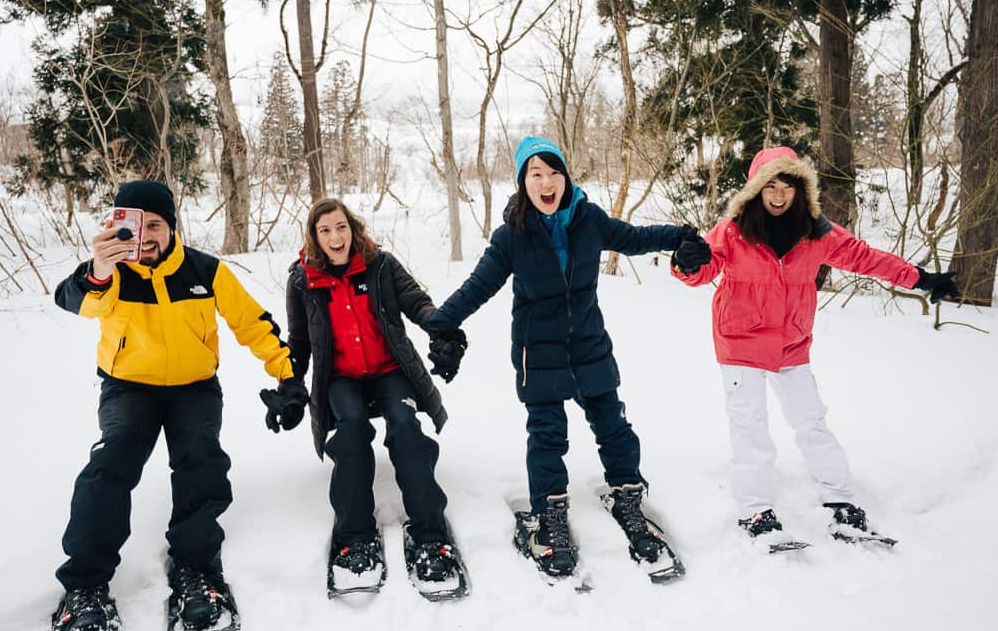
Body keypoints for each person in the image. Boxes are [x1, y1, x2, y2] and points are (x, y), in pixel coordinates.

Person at [50, 180, 307, 631]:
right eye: (135, 224)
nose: (144, 235)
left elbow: (252, 323)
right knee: (112, 462)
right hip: (129, 386)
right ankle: (84, 588)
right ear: (117, 225)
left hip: (194, 387)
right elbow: (73, 301)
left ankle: (196, 569)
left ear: (171, 226)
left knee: (201, 458)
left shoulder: (205, 270)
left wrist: (289, 377)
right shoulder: (112, 273)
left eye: (155, 224)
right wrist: (100, 269)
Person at [426, 136, 696, 578]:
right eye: (536, 174)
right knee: (548, 435)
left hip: (589, 344)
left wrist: (680, 237)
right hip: (540, 352)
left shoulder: (587, 219)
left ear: (566, 177)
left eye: (554, 172)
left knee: (614, 426)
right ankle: (549, 514)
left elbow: (633, 237)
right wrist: (442, 324)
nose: (547, 182)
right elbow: (478, 286)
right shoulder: (512, 234)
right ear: (522, 183)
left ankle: (627, 495)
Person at [669, 146, 958, 540]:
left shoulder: (816, 231)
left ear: (800, 189)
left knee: (811, 423)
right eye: (769, 185)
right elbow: (701, 270)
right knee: (750, 426)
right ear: (756, 189)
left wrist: (921, 279)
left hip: (791, 344)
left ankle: (840, 500)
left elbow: (865, 258)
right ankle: (756, 511)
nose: (777, 195)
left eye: (787, 186)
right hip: (740, 341)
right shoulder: (733, 230)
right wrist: (685, 263)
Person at [283, 198, 467, 590]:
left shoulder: (380, 265)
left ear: (353, 228)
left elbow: (418, 304)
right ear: (315, 237)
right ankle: (354, 537)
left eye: (341, 227)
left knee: (405, 428)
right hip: (341, 377)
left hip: (389, 370)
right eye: (325, 230)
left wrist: (443, 329)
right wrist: (289, 383)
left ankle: (431, 534)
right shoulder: (302, 280)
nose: (336, 237)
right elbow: (298, 343)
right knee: (350, 431)